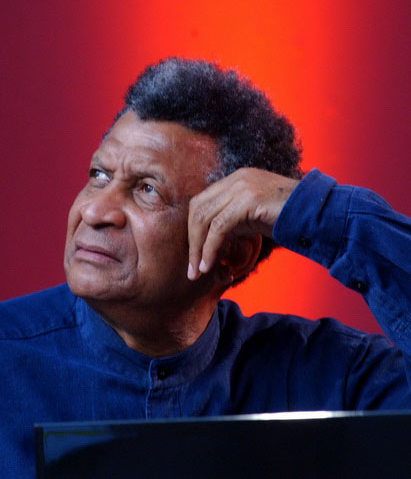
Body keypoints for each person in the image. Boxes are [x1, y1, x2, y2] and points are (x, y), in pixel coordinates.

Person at [1, 58, 410, 477]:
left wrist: (315, 211)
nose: (94, 211)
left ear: (232, 252)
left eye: (147, 190)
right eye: (99, 175)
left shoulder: (333, 378)